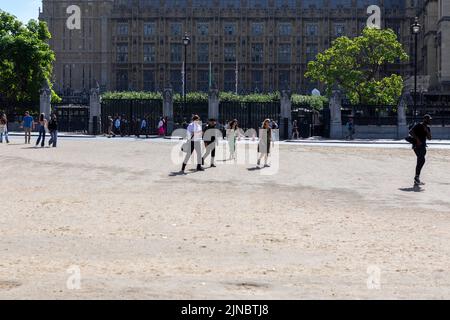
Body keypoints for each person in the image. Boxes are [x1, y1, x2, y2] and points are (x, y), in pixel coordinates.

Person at [409, 114, 432, 186]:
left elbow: (430, 138)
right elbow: (411, 132)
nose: (430, 121)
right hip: (417, 145)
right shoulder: (419, 125)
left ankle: (417, 178)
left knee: (421, 160)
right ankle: (416, 177)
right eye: (429, 119)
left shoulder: (427, 128)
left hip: (423, 146)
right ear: (425, 119)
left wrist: (427, 131)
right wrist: (418, 140)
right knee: (421, 159)